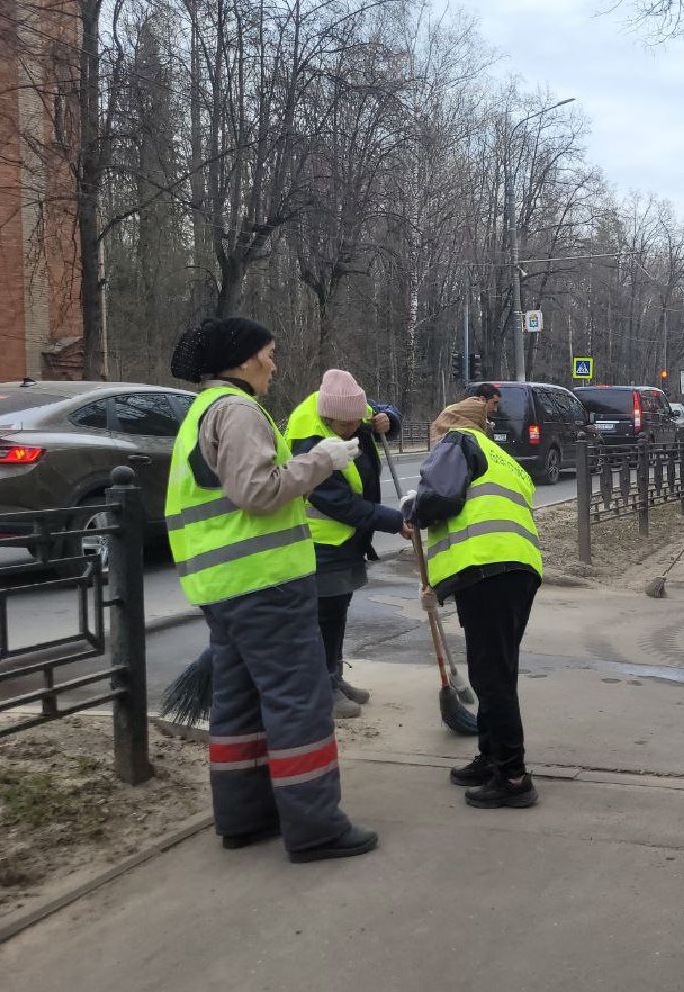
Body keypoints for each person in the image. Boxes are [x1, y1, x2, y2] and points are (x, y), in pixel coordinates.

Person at [166, 317, 376, 863]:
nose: (275, 363)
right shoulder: (238, 411)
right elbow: (257, 491)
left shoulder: (201, 412)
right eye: (270, 352)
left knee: (237, 704)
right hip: (265, 586)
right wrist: (321, 461)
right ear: (243, 361)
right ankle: (315, 828)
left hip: (223, 586)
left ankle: (244, 818)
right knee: (298, 704)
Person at [404, 396, 542, 809]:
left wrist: (413, 509)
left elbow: (441, 497)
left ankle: (513, 778)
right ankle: (491, 756)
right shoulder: (501, 455)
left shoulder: (457, 441)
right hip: (512, 571)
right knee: (495, 670)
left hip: (490, 572)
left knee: (493, 677)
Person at [285, 370, 410, 718]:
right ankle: (321, 686)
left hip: (347, 541)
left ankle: (334, 677)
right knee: (322, 617)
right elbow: (339, 503)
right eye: (346, 426)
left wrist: (390, 419)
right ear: (328, 418)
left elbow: (380, 412)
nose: (355, 429)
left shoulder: (348, 406)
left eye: (359, 421)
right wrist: (395, 520)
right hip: (318, 542)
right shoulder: (309, 440)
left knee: (337, 613)